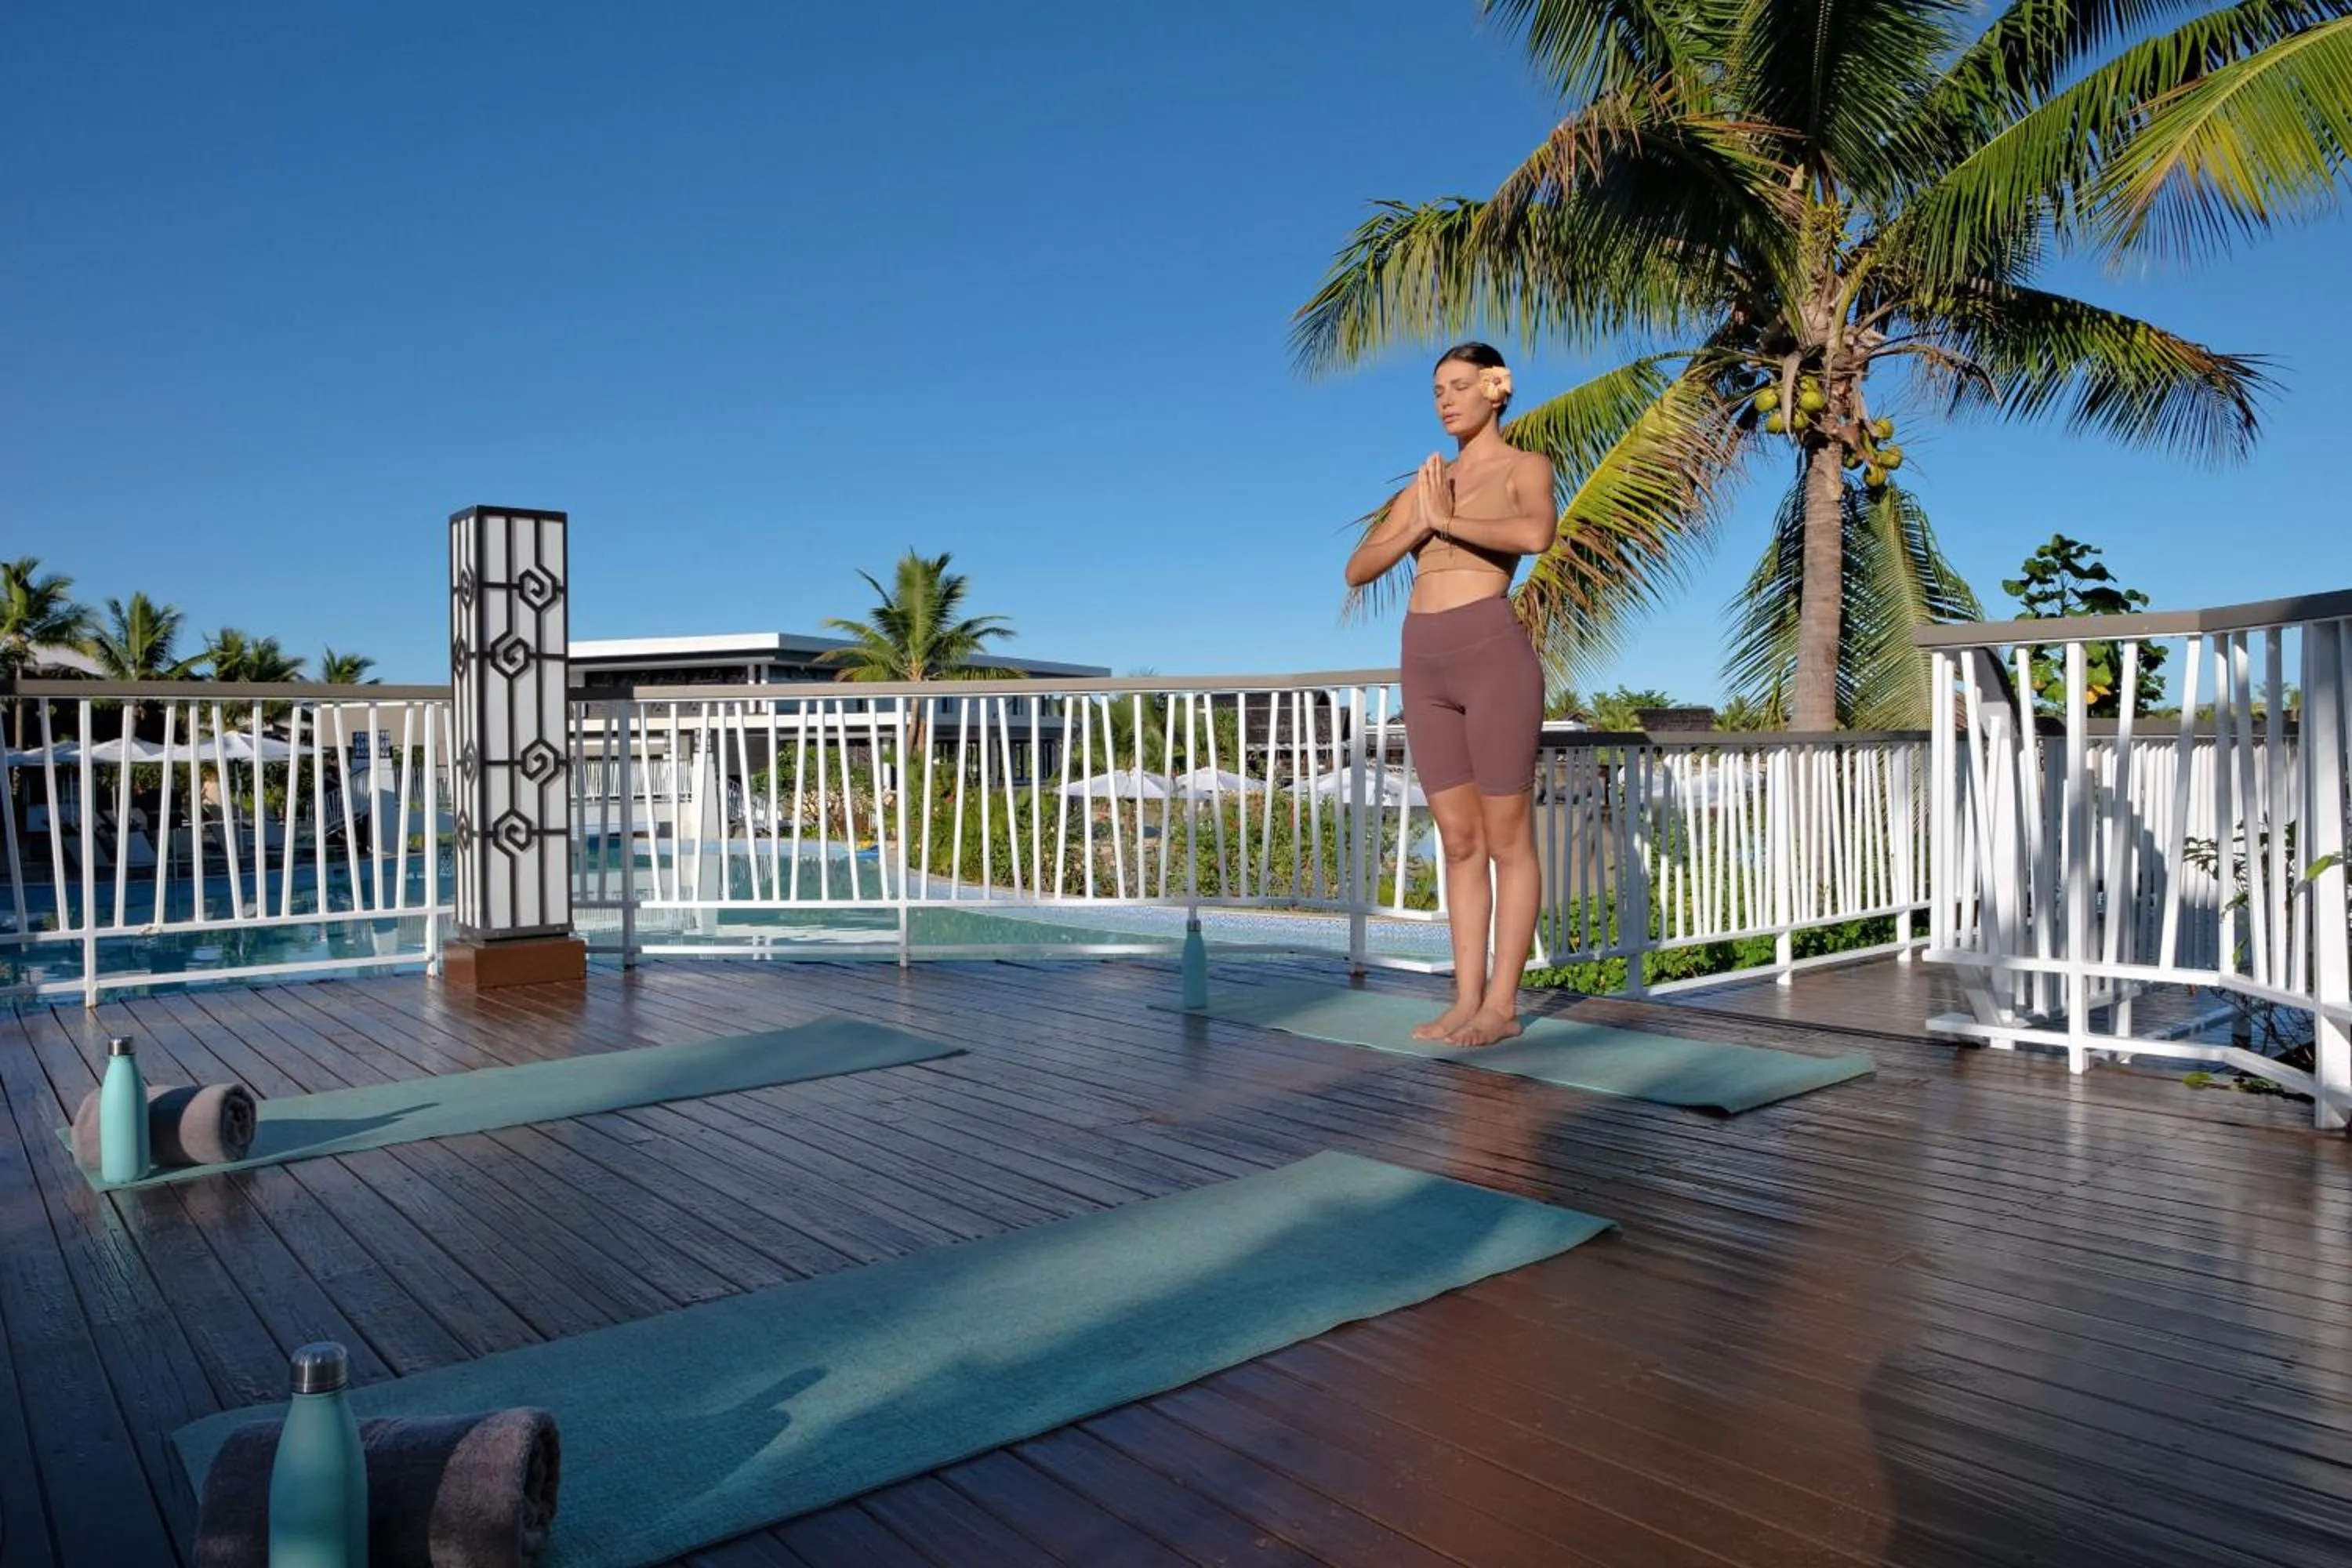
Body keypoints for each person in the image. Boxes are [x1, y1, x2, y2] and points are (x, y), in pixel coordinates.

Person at [1344, 343, 1555, 1046]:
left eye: (1459, 386)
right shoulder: (1430, 481)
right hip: (1422, 661)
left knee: (1506, 840)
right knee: (1459, 844)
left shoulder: (1525, 467)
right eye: (1437, 389)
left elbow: (1536, 533)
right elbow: (1358, 567)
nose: (1445, 400)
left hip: (1491, 654)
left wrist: (1446, 522)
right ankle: (1466, 1002)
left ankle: (1502, 1007)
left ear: (1497, 390)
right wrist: (1418, 520)